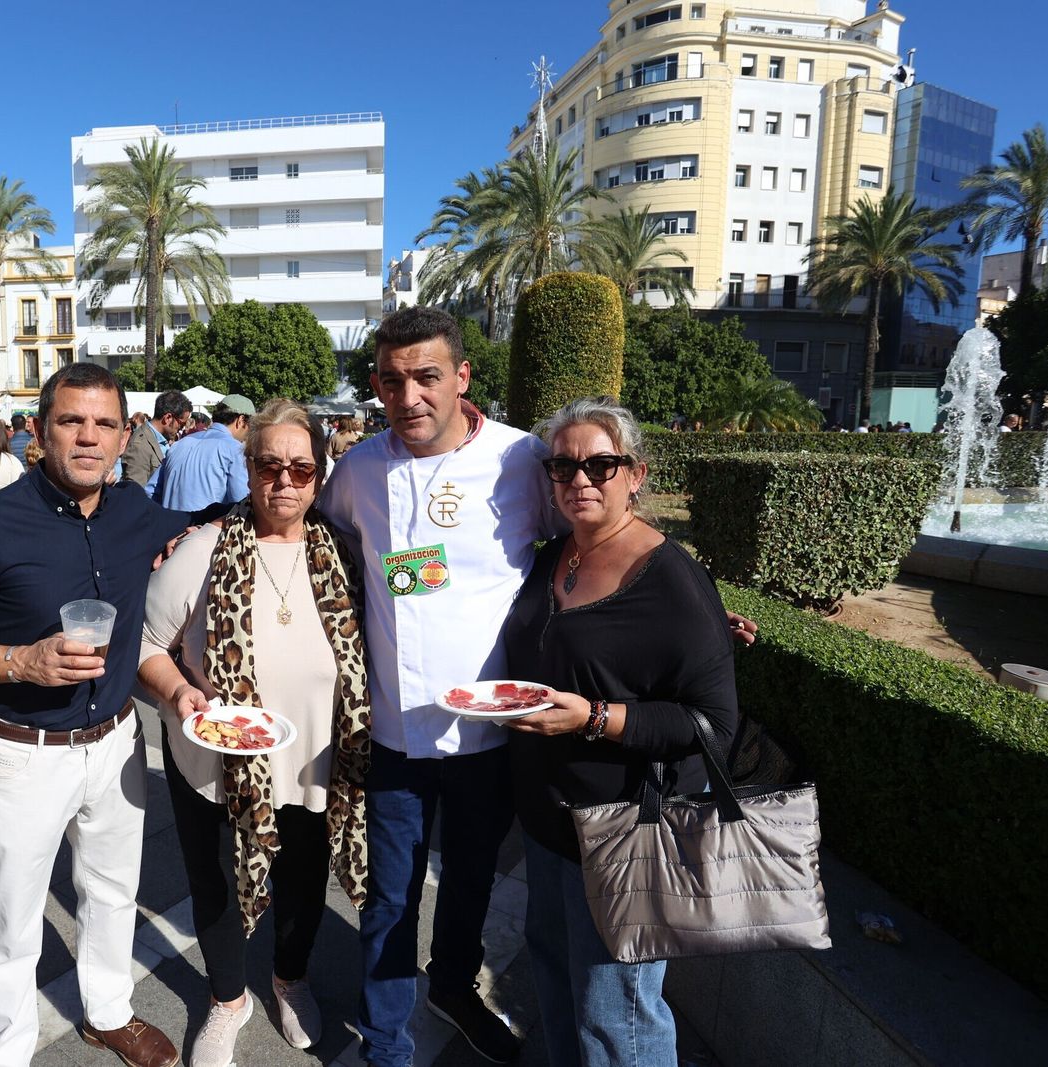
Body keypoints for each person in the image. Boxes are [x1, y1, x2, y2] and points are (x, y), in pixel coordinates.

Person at [318, 307, 757, 1067]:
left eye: (427, 376)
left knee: (469, 883)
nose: (409, 395)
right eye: (391, 380)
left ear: (462, 377)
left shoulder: (520, 458)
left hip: (497, 737)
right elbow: (321, 549)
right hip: (395, 731)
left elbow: (598, 540)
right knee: (389, 898)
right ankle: (387, 1043)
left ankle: (452, 986)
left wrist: (692, 606)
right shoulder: (357, 470)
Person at [0, 362, 228, 1067]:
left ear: (126, 432)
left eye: (105, 423)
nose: (89, 437)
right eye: (72, 421)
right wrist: (21, 662)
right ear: (38, 431)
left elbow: (221, 519)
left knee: (111, 889)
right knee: (11, 918)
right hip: (23, 749)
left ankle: (107, 1010)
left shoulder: (136, 511)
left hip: (117, 741)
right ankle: (5, 1052)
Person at [501, 398, 739, 1067]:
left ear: (635, 473)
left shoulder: (671, 579)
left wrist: (597, 717)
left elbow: (714, 722)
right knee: (552, 977)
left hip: (624, 828)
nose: (581, 478)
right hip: (548, 821)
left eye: (600, 464)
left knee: (617, 1015)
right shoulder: (554, 555)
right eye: (564, 465)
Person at [137, 399, 369, 1067]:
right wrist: (178, 689)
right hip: (217, 763)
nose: (285, 482)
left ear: (319, 476)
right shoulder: (205, 548)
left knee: (303, 879)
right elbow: (150, 642)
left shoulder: (345, 555)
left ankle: (289, 978)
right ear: (250, 467)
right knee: (215, 885)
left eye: (301, 467)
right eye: (271, 465)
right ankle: (227, 998)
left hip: (316, 762)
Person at [154, 395, 255, 512]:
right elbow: (242, 503)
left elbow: (152, 491)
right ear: (241, 420)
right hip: (204, 527)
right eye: (251, 426)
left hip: (170, 526)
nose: (249, 432)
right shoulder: (235, 450)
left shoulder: (179, 445)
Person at [122, 389, 191, 491]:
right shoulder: (139, 445)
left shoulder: (161, 440)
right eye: (182, 424)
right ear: (168, 418)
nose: (182, 428)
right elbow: (136, 494)